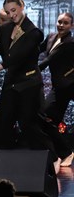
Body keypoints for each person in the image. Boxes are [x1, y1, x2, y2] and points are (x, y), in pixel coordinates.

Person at [0, 0, 59, 169]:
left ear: (22, 6)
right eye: (8, 12)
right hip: (11, 83)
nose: (11, 14)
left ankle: (53, 157)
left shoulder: (35, 33)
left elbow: (18, 56)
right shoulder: (5, 29)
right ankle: (0, 161)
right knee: (2, 121)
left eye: (14, 10)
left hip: (29, 83)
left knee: (29, 124)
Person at [39, 12, 74, 167]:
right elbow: (36, 50)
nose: (61, 25)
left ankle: (65, 153)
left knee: (46, 117)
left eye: (65, 23)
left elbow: (48, 60)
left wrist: (29, 72)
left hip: (67, 86)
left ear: (71, 26)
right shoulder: (51, 37)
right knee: (50, 120)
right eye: (60, 22)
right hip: (59, 85)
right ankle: (62, 153)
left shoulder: (69, 42)